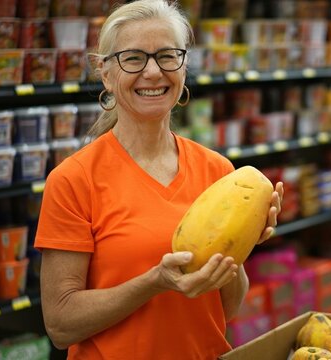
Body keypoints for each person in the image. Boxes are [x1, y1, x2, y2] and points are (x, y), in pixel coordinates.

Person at [34, 0, 284, 359]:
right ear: (106, 73)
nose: (153, 72)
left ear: (183, 67)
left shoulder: (218, 171)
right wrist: (154, 282)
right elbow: (60, 325)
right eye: (133, 58)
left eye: (167, 56)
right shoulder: (74, 180)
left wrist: (243, 242)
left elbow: (224, 310)